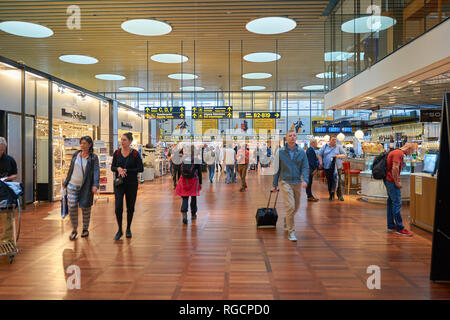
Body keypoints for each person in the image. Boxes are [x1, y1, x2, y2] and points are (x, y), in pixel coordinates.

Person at [272, 130, 309, 242]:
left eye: (294, 136)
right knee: (290, 206)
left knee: (296, 206)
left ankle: (286, 219)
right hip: (285, 181)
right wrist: (274, 184)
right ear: (286, 138)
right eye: (290, 136)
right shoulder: (280, 152)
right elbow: (276, 169)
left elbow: (305, 167)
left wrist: (305, 180)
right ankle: (291, 232)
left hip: (297, 182)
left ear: (296, 138)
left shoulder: (301, 152)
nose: (292, 137)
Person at [63, 136, 100, 240]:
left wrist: (95, 184)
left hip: (86, 186)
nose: (83, 145)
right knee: (72, 207)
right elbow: (71, 169)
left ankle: (85, 229)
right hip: (72, 185)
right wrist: (66, 182)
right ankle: (74, 230)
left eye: (85, 143)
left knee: (86, 208)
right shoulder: (76, 154)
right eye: (81, 143)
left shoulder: (93, 157)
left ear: (90, 145)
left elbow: (96, 171)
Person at [111, 132, 144, 240]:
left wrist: (127, 170)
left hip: (131, 184)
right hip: (119, 184)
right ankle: (119, 229)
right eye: (121, 139)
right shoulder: (116, 153)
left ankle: (128, 228)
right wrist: (118, 169)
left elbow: (140, 168)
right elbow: (112, 167)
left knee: (130, 207)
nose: (122, 142)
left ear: (130, 142)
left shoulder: (135, 154)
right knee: (118, 207)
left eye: (124, 140)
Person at [384, 143, 414, 236]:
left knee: (391, 202)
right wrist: (397, 181)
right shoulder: (399, 153)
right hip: (392, 181)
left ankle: (391, 225)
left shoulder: (396, 152)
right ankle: (400, 228)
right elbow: (395, 168)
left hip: (388, 179)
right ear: (408, 148)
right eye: (412, 151)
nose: (411, 153)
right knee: (397, 203)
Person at [175, 145, 202, 224]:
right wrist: (200, 183)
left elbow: (179, 171)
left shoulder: (183, 158)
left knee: (185, 197)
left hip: (184, 180)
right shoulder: (196, 159)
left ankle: (184, 214)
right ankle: (193, 214)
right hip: (193, 180)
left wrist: (178, 181)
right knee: (193, 197)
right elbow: (199, 172)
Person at [0, 137, 18, 245]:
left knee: (6, 217)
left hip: (5, 191)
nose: (0, 152)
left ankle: (6, 241)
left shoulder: (10, 160)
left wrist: (7, 178)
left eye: (2, 150)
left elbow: (15, 175)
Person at [318, 135, 346, 201]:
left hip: (337, 167)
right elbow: (319, 155)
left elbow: (344, 155)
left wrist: (338, 156)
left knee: (338, 181)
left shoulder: (339, 147)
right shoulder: (325, 146)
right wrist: (321, 163)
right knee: (330, 182)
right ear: (330, 140)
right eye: (333, 140)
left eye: (335, 140)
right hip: (327, 167)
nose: (334, 141)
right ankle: (331, 195)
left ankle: (340, 196)